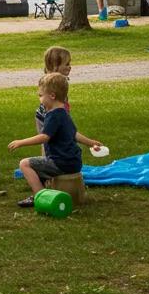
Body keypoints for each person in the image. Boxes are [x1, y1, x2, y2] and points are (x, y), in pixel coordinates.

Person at [8, 70, 102, 208]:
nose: (39, 99)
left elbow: (44, 137)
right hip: (74, 162)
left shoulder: (53, 115)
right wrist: (90, 143)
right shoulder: (63, 112)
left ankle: (41, 197)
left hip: (60, 163)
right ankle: (43, 192)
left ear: (52, 95)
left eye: (41, 96)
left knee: (25, 164)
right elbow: (74, 134)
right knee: (38, 164)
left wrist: (20, 142)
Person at [36, 46, 72, 133]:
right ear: (55, 66)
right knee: (48, 138)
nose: (70, 67)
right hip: (47, 116)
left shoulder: (61, 79)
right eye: (67, 64)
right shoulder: (50, 82)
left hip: (58, 113)